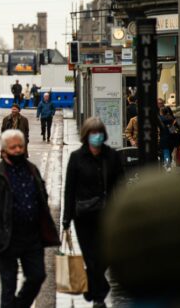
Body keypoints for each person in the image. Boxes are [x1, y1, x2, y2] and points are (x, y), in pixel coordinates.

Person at [0, 129, 60, 308]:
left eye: (20, 146)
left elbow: (42, 195)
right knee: (8, 286)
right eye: (13, 147)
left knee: (37, 276)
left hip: (32, 236)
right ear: (4, 150)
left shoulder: (32, 170)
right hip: (7, 237)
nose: (18, 150)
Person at [63, 117, 125, 308]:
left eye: (99, 133)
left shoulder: (112, 156)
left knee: (104, 256)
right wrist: (66, 218)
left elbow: (120, 186)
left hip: (107, 215)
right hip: (83, 217)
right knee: (91, 257)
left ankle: (94, 288)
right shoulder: (76, 157)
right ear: (86, 135)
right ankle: (99, 297)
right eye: (92, 133)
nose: (96, 137)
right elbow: (69, 189)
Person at [159, 107, 180, 171]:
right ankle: (169, 165)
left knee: (166, 153)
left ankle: (168, 166)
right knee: (169, 153)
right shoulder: (171, 119)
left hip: (164, 139)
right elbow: (174, 130)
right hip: (171, 139)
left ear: (162, 112)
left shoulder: (160, 119)